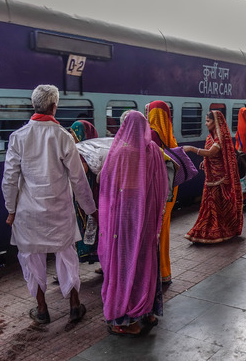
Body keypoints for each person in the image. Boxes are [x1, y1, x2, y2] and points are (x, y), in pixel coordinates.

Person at [2, 85, 96, 325]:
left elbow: (10, 178)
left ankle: (42, 309)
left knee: (31, 257)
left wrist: (11, 209)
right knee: (66, 255)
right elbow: (78, 178)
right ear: (54, 106)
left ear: (34, 105)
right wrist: (89, 209)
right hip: (59, 211)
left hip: (27, 213)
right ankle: (74, 305)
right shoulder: (63, 136)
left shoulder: (18, 137)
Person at [98, 111, 168, 337]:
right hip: (146, 217)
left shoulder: (119, 152)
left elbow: (106, 184)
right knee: (145, 260)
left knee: (123, 261)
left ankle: (123, 318)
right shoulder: (154, 152)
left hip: (124, 218)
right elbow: (162, 187)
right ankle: (146, 310)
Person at [183, 110, 243, 243]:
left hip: (220, 178)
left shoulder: (220, 137)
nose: (205, 124)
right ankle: (208, 229)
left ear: (215, 122)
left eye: (208, 121)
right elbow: (210, 156)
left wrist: (192, 149)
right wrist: (205, 162)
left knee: (217, 205)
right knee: (210, 204)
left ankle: (219, 230)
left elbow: (211, 152)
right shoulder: (211, 137)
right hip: (211, 177)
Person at [146, 100, 177, 285]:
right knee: (163, 231)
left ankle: (155, 273)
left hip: (157, 192)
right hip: (170, 192)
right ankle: (165, 271)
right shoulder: (169, 135)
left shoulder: (151, 135)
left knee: (153, 233)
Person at [69, 120, 99, 263]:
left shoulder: (81, 151)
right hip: (94, 194)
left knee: (84, 228)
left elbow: (81, 174)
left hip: (84, 197)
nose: (72, 136)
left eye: (75, 132)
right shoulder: (95, 148)